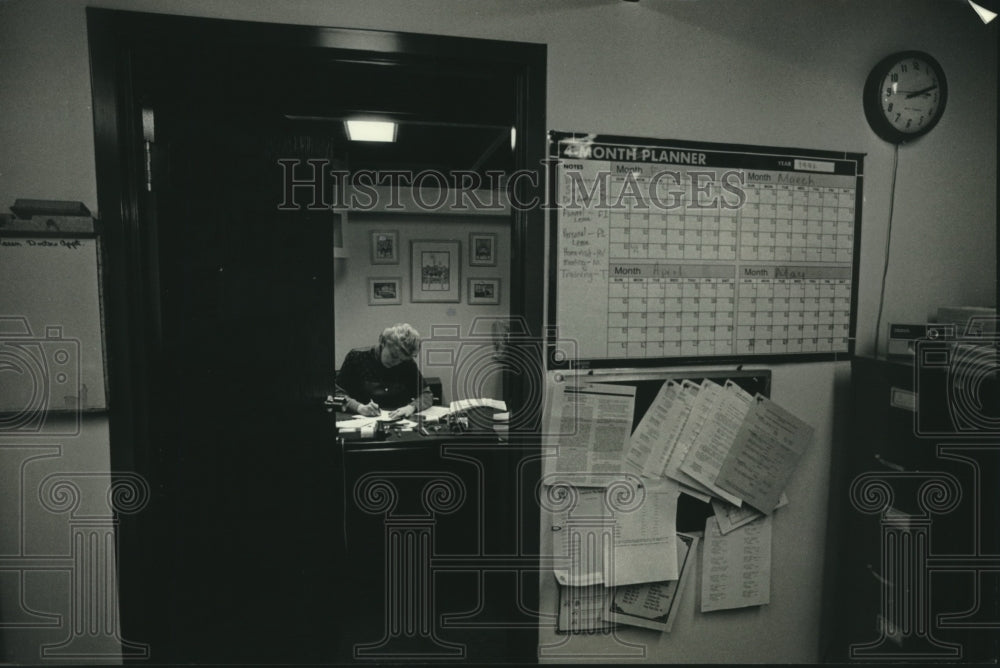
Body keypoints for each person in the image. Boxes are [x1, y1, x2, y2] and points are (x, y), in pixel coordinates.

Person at [336, 323, 434, 419]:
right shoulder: (356, 357)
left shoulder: (408, 364)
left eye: (402, 360)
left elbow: (426, 394)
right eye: (393, 356)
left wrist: (411, 407)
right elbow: (337, 393)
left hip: (399, 423)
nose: (396, 362)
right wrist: (359, 407)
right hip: (362, 421)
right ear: (383, 343)